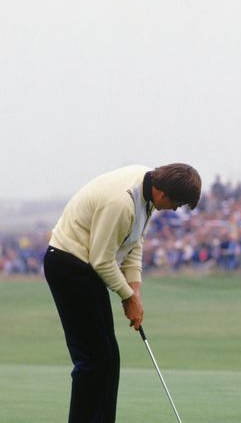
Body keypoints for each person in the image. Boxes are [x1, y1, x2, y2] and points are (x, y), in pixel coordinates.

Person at [43, 163, 201, 423]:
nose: (175, 209)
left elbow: (134, 242)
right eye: (177, 204)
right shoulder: (122, 203)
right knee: (93, 359)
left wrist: (135, 291)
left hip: (85, 269)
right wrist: (127, 297)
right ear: (162, 194)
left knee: (108, 357)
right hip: (68, 265)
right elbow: (102, 260)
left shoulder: (148, 189)